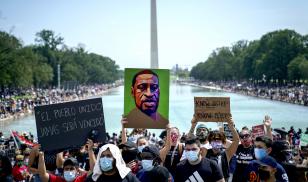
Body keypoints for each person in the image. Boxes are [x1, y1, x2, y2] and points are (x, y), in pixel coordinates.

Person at [205, 116, 239, 181]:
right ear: (209, 141)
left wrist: (231, 126)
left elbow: (236, 140)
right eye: (213, 139)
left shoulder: (226, 153)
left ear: (223, 141)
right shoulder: (205, 152)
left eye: (218, 139)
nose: (216, 141)